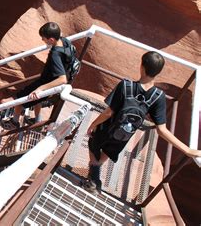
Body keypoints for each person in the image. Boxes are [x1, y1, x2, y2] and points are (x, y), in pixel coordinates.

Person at [83, 51, 201, 193]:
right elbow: (162, 130)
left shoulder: (125, 86)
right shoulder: (158, 97)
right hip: (124, 134)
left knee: (92, 142)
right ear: (158, 72)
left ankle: (94, 176)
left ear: (142, 67)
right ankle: (96, 169)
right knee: (110, 149)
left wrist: (93, 125)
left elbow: (109, 112)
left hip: (107, 128)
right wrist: (187, 150)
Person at [1, 22, 75, 129]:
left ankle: (14, 122)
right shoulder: (65, 41)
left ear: (51, 40)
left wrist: (40, 88)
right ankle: (37, 121)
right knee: (38, 99)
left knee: (21, 99)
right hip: (49, 80)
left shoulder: (55, 54)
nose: (42, 40)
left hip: (47, 83)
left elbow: (62, 79)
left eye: (43, 38)